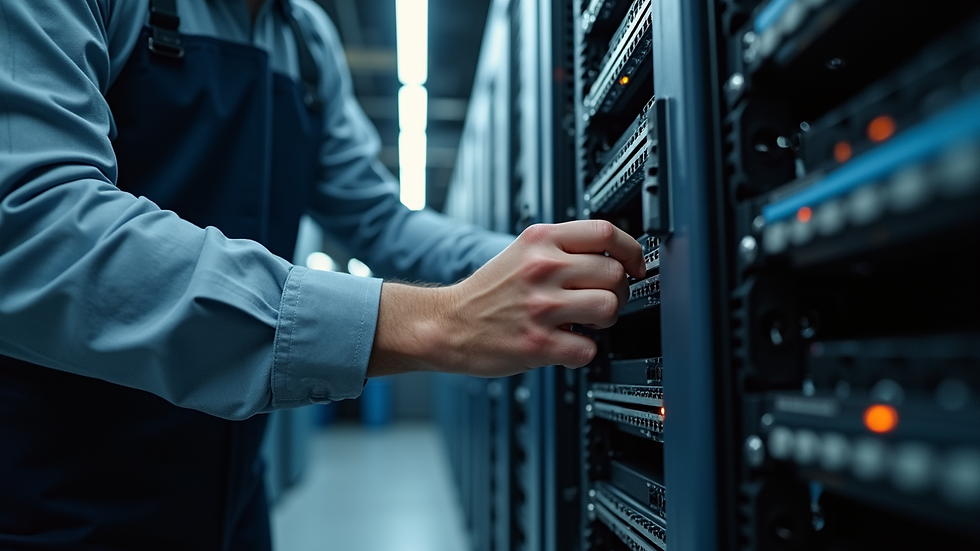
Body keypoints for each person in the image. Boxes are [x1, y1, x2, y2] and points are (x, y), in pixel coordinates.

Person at [0, 0, 645, 548]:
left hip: (230, 496)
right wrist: (437, 322)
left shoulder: (304, 40)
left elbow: (381, 221)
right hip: (54, 496)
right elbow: (33, 225)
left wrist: (538, 264)